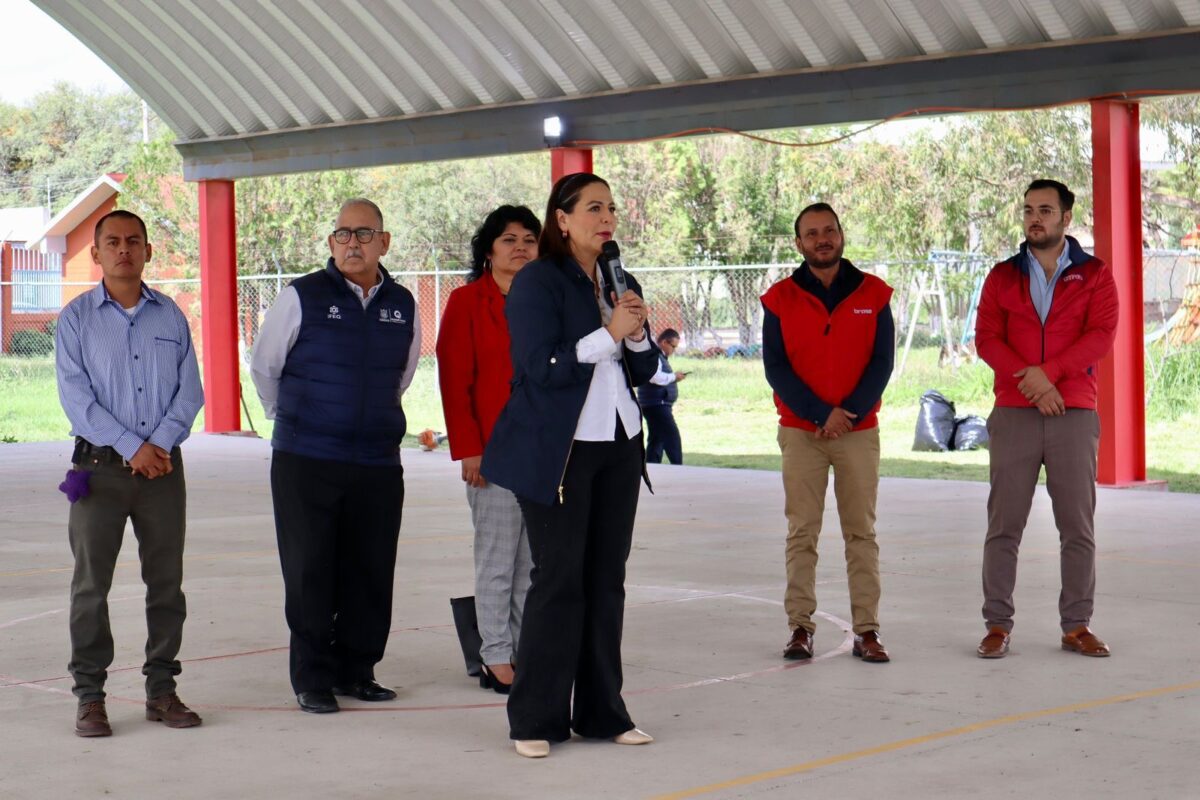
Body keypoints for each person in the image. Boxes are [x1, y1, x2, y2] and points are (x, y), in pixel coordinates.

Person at [480, 172, 659, 758]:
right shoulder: (537, 281)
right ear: (561, 219)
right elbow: (542, 367)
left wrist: (634, 340)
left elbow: (644, 370)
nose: (605, 218)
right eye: (591, 208)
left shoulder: (617, 277)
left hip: (619, 443)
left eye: (610, 207)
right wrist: (609, 334)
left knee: (607, 581)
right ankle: (535, 718)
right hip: (561, 452)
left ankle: (605, 712)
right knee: (558, 583)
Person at [251, 198, 420, 713]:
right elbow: (264, 368)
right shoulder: (301, 296)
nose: (353, 243)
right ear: (330, 243)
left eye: (365, 234)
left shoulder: (403, 304)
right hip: (307, 459)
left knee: (370, 569)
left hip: (376, 460)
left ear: (384, 242)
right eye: (343, 234)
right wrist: (295, 420)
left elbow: (403, 375)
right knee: (310, 570)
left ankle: (358, 669)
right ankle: (313, 679)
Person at [55, 209, 205, 737]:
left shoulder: (171, 317)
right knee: (91, 587)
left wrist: (156, 445)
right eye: (113, 242)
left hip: (162, 472)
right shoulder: (76, 319)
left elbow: (191, 394)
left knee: (166, 585)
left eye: (134, 241)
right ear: (95, 253)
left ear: (147, 251)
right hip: (98, 471)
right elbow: (78, 400)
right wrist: (130, 446)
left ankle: (161, 690)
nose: (124, 250)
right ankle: (90, 698)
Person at [974, 179, 1119, 659]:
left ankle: (1076, 626)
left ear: (1066, 218)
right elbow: (988, 338)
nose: (1035, 218)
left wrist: (1049, 375)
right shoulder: (1001, 276)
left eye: (1045, 210)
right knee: (1004, 525)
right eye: (1029, 210)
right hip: (1015, 412)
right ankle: (997, 624)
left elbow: (1100, 335)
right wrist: (1030, 384)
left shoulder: (1095, 275)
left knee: (1077, 527)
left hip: (1072, 411)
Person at [761, 202, 895, 665]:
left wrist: (849, 413)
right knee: (803, 533)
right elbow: (775, 368)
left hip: (859, 432)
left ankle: (868, 630)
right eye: (812, 233)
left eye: (829, 230)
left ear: (841, 234)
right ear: (799, 243)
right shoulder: (778, 298)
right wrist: (821, 413)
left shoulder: (874, 293)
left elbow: (882, 362)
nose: (822, 239)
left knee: (862, 533)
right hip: (802, 433)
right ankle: (800, 628)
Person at [436, 205, 541, 694]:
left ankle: (519, 650)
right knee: (498, 560)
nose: (520, 248)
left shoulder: (546, 299)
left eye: (528, 239)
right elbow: (455, 381)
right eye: (508, 240)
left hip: (541, 452)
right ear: (488, 250)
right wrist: (469, 450)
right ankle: (495, 655)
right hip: (493, 454)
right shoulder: (466, 302)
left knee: (530, 564)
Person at [637, 328, 687, 465]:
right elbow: (655, 377)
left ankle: (652, 466)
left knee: (657, 438)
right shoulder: (655, 355)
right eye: (673, 346)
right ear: (664, 342)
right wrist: (673, 377)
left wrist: (674, 378)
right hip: (657, 403)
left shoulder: (659, 356)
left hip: (655, 403)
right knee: (672, 436)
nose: (674, 350)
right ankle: (678, 467)